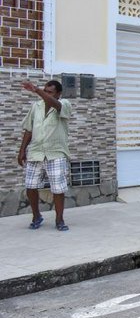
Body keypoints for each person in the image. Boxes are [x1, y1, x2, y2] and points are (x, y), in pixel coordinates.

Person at [17, 80, 73, 230]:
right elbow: (29, 129)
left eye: (50, 92)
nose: (46, 94)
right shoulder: (36, 106)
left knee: (58, 188)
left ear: (58, 94)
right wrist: (22, 150)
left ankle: (59, 220)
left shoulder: (64, 104)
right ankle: (36, 216)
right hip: (36, 152)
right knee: (30, 186)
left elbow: (56, 104)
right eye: (45, 91)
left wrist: (36, 90)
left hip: (56, 152)